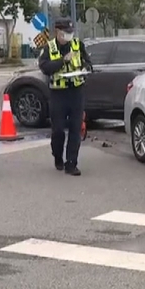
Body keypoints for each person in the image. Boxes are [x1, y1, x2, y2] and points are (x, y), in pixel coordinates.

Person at [38, 18, 89, 175]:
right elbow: (45, 67)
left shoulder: (77, 45)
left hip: (76, 92)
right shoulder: (49, 47)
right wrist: (62, 60)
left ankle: (71, 163)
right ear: (57, 32)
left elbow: (88, 61)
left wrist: (86, 68)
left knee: (75, 129)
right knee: (58, 130)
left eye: (70, 33)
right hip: (58, 94)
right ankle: (57, 156)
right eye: (65, 33)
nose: (68, 36)